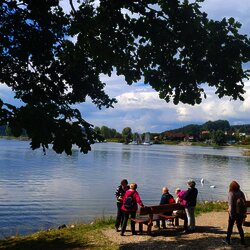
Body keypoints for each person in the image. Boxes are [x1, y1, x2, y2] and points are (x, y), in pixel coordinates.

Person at [223, 180, 246, 245]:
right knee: (239, 227)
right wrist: (244, 213)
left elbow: (230, 205)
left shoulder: (231, 193)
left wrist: (230, 213)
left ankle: (227, 240)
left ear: (231, 187)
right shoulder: (241, 193)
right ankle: (243, 240)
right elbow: (244, 203)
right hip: (241, 214)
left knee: (230, 227)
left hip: (233, 214)